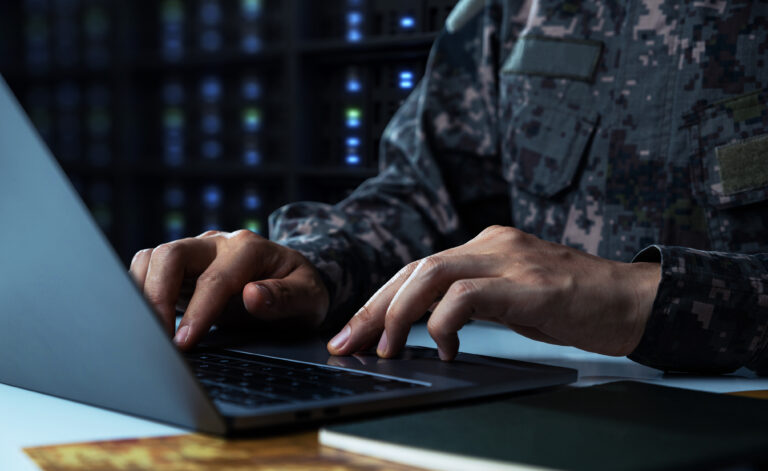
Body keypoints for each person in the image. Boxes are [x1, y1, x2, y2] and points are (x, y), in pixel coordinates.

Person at [130, 0, 768, 375]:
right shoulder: (514, 10)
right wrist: (316, 268)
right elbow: (425, 194)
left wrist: (644, 298)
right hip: (555, 411)